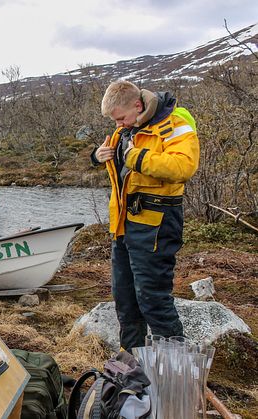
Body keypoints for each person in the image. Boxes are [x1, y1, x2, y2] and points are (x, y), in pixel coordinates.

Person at [92, 80, 199, 350]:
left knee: (153, 299)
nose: (118, 125)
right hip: (123, 226)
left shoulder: (173, 124)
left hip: (157, 223)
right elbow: (119, 163)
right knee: (125, 301)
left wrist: (137, 158)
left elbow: (183, 165)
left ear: (137, 105)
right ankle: (131, 369)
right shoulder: (126, 129)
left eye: (121, 118)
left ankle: (175, 368)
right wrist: (98, 156)